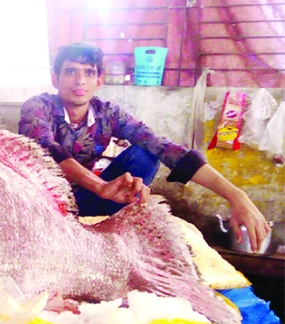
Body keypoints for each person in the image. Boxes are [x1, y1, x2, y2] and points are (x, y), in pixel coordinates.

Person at [19, 42, 271, 251]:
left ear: (99, 80)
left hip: (87, 200)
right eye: (70, 72)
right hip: (43, 204)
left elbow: (165, 148)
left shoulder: (108, 114)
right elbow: (47, 151)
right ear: (55, 78)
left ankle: (112, 231)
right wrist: (101, 186)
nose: (79, 81)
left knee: (146, 154)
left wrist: (237, 196)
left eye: (88, 72)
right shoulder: (37, 107)